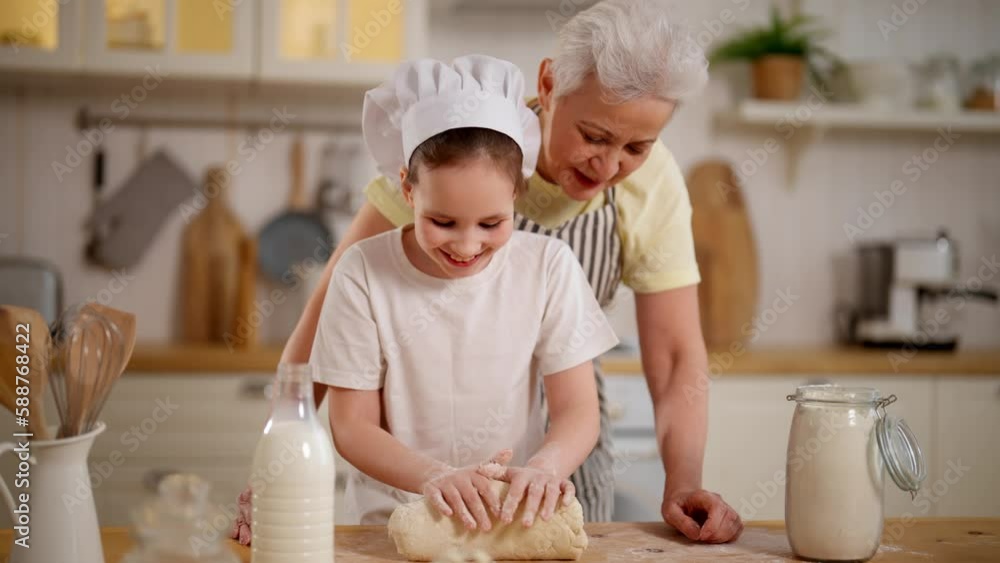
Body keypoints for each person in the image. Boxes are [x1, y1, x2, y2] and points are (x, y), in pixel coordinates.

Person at [247, 0, 743, 545]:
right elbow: (324, 330)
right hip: (402, 486)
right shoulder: (445, 149)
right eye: (594, 136)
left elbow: (673, 358)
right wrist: (273, 474)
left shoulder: (620, 213)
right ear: (549, 85)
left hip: (550, 464)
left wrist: (682, 483)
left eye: (636, 148)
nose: (608, 166)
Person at [315, 55, 619, 531]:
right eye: (443, 222)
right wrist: (434, 477)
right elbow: (352, 426)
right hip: (393, 522)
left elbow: (578, 410)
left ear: (516, 195)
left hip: (510, 520)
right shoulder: (363, 272)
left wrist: (543, 469)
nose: (467, 245)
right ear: (408, 190)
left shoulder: (548, 266)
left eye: (491, 223)